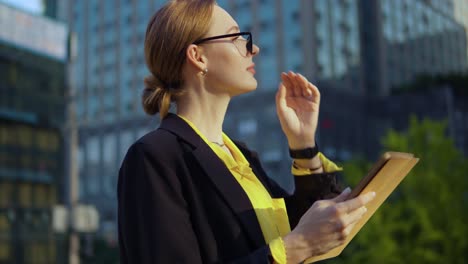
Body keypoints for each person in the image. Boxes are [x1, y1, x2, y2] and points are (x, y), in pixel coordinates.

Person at [117, 1, 375, 263]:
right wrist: (295, 247)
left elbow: (314, 229)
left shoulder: (241, 156)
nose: (254, 48)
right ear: (198, 56)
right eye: (236, 37)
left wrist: (304, 144)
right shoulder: (155, 156)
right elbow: (296, 243)